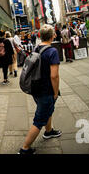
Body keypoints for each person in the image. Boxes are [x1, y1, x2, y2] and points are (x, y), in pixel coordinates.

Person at [19, 24, 62, 154]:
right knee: (39, 119)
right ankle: (25, 148)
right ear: (53, 36)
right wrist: (55, 92)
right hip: (46, 90)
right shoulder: (52, 51)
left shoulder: (37, 48)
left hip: (36, 88)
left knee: (46, 111)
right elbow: (54, 76)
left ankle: (49, 131)